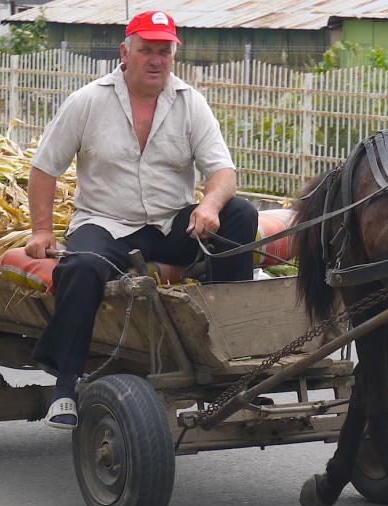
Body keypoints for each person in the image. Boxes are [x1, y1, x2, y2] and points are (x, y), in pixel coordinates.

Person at [25, 10, 257, 429]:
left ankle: (230, 343)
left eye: (164, 52)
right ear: (124, 52)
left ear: (173, 55)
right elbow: (45, 168)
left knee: (239, 212)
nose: (156, 60)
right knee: (81, 267)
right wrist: (41, 230)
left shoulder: (190, 102)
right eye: (146, 50)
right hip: (106, 222)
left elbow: (223, 171)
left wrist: (207, 206)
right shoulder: (88, 101)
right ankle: (65, 386)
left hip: (171, 225)